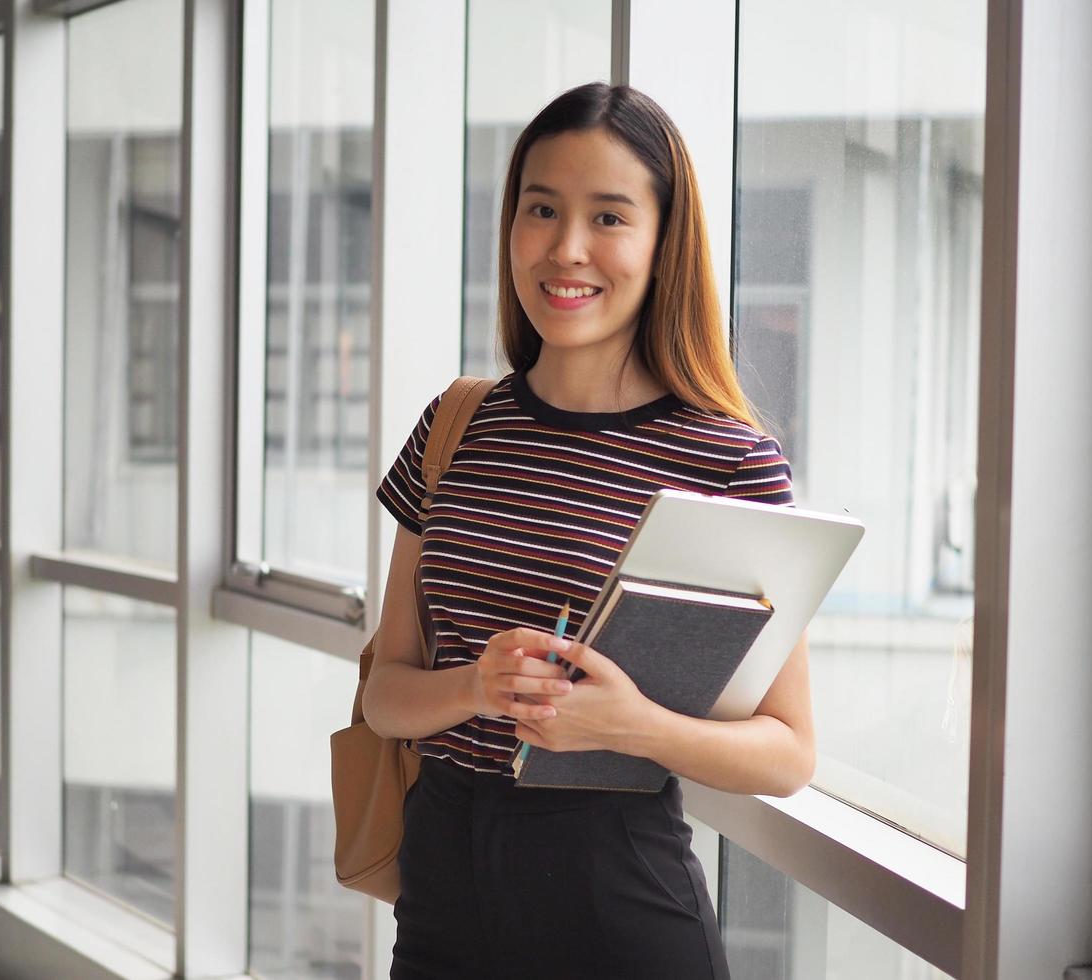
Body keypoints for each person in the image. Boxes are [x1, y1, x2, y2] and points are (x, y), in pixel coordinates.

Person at [362, 81, 815, 980]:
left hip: (617, 898)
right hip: (444, 889)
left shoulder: (728, 463)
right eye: (542, 210)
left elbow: (789, 751)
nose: (567, 249)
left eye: (609, 217)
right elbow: (384, 694)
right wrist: (476, 688)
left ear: (661, 244)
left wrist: (635, 726)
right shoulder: (456, 425)